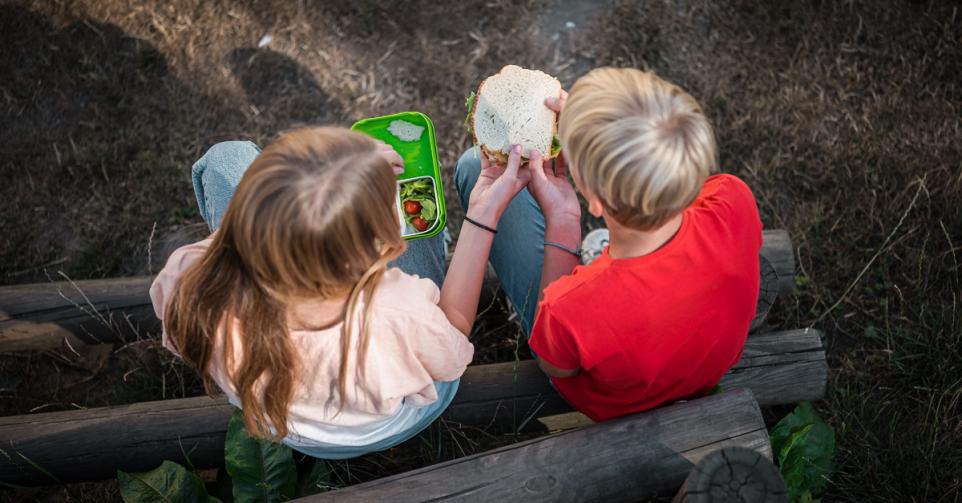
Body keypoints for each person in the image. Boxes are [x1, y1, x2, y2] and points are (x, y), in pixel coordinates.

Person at [150, 127, 530, 457]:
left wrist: (328, 182)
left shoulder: (193, 283)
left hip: (289, 426)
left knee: (227, 157)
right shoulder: (398, 311)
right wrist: (481, 217)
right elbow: (452, 348)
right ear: (371, 256)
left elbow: (248, 228)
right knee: (421, 232)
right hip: (394, 421)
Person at [455, 68, 762, 422]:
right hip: (698, 368)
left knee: (469, 166)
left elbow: (553, 366)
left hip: (612, 405)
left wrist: (565, 225)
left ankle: (591, 252)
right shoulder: (732, 199)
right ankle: (600, 252)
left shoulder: (572, 306)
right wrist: (603, 120)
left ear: (595, 202)